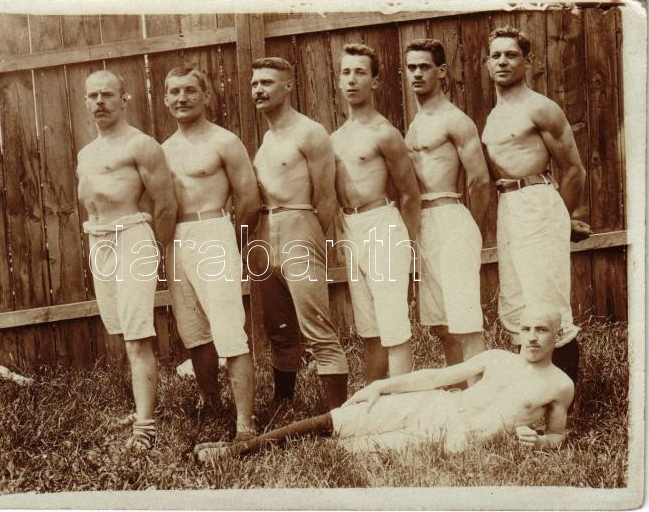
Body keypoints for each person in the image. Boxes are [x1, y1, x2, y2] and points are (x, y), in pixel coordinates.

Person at [194, 303, 574, 461]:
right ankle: (236, 450)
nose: (532, 338)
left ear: (557, 336)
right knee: (340, 418)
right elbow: (437, 377)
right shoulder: (497, 359)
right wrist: (380, 386)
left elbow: (558, 436)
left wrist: (540, 442)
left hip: (455, 437)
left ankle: (250, 452)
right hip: (437, 404)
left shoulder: (559, 386)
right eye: (526, 329)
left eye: (542, 330)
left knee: (347, 450)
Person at [481, 26, 590, 385]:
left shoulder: (540, 107)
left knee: (548, 305)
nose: (502, 61)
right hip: (509, 206)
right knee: (517, 305)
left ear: (527, 62)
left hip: (537, 202)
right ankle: (532, 393)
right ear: (487, 64)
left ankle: (565, 401)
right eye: (496, 55)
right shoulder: (494, 116)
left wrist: (561, 220)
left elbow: (574, 169)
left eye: (511, 55)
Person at [77, 70, 177, 451]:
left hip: (131, 238)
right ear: (86, 102)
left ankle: (145, 427)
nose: (100, 102)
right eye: (93, 96)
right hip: (99, 240)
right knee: (120, 330)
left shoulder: (141, 145)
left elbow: (165, 203)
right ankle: (141, 408)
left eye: (107, 94)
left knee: (137, 336)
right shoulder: (86, 153)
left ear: (124, 99)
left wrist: (153, 251)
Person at [161, 65, 261, 440]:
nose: (182, 98)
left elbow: (249, 200)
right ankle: (211, 405)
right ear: (165, 99)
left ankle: (245, 422)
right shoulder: (162, 150)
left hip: (213, 230)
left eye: (190, 90)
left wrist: (230, 243)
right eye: (174, 91)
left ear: (206, 96)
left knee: (229, 331)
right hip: (177, 239)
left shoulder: (224, 141)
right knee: (194, 333)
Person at [249, 57, 350, 410]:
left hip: (299, 225)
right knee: (279, 328)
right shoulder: (267, 138)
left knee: (317, 326)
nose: (259, 90)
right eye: (255, 83)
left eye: (267, 82)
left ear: (288, 86)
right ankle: (283, 405)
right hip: (266, 232)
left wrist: (309, 239)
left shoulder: (310, 132)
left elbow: (326, 197)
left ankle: (339, 414)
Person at [331, 44, 422, 384]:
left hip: (381, 224)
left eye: (360, 72)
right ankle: (373, 396)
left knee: (393, 323)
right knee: (369, 327)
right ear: (338, 81)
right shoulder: (334, 138)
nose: (352, 79)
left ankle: (404, 399)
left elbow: (410, 193)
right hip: (350, 227)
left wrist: (407, 245)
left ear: (375, 81)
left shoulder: (384, 133)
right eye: (346, 72)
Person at [403, 39, 490, 385]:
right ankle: (458, 391)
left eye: (424, 67)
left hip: (450, 217)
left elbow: (479, 180)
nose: (417, 73)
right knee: (441, 323)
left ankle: (481, 395)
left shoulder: (455, 120)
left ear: (441, 72)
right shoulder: (415, 123)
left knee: (465, 320)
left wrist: (470, 229)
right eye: (411, 67)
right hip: (424, 225)